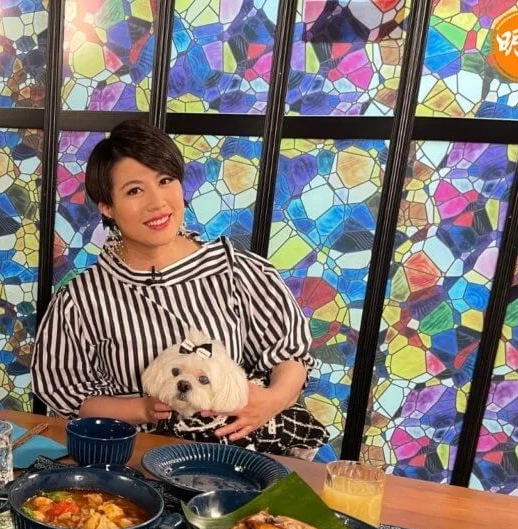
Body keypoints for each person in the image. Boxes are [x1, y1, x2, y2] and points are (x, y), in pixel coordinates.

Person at [31, 119, 326, 457]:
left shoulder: (239, 271)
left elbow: (290, 356)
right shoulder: (81, 299)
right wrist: (140, 409)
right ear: (107, 207)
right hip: (135, 460)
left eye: (165, 181)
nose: (157, 203)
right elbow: (69, 394)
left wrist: (271, 401)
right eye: (134, 191)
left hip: (237, 459)